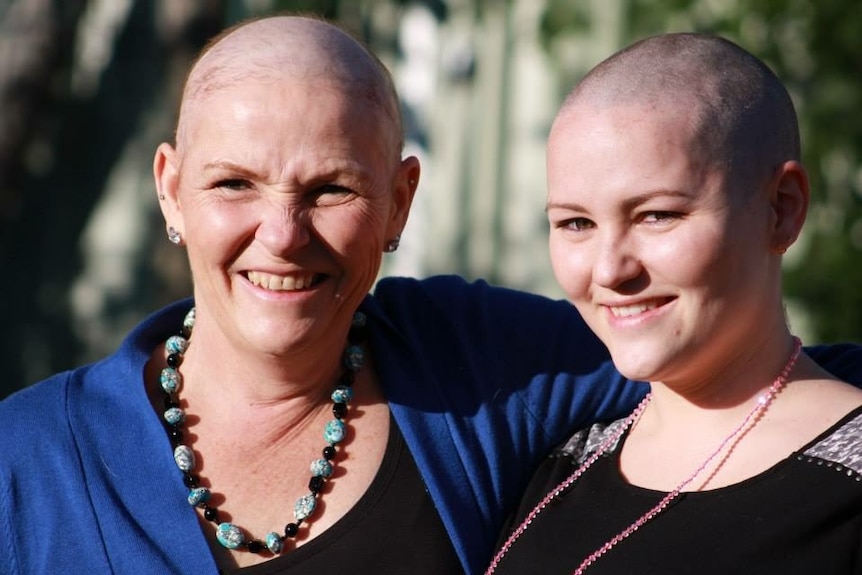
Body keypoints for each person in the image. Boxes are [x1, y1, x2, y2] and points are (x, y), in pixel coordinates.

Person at [0, 19, 857, 575]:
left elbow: (731, 358)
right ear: (171, 191)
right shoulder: (25, 462)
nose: (283, 232)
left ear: (399, 203)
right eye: (233, 184)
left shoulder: (476, 368)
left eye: (331, 189)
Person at [486, 33, 862, 575]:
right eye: (576, 223)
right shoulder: (563, 461)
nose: (611, 269)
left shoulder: (846, 482)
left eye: (656, 215)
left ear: (781, 208)